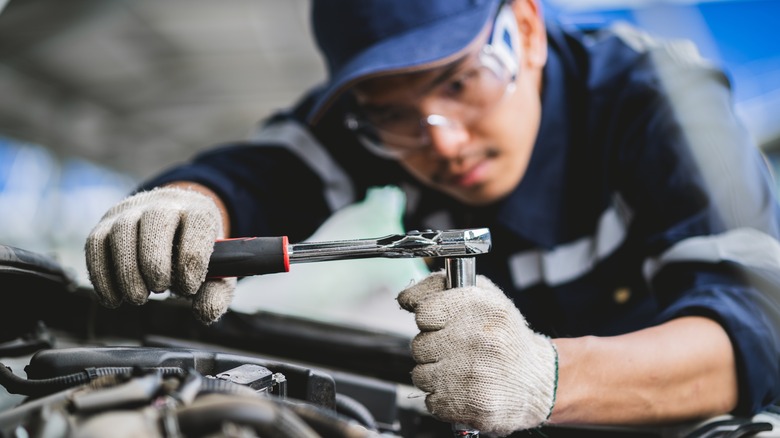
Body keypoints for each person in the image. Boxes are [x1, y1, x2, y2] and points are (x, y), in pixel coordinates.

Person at [84, 0, 780, 435]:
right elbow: (267, 168)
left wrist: (549, 376)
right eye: (395, 113)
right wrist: (193, 205)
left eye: (458, 82)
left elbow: (761, 333)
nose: (442, 143)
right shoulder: (377, 123)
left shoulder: (660, 99)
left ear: (528, 30)